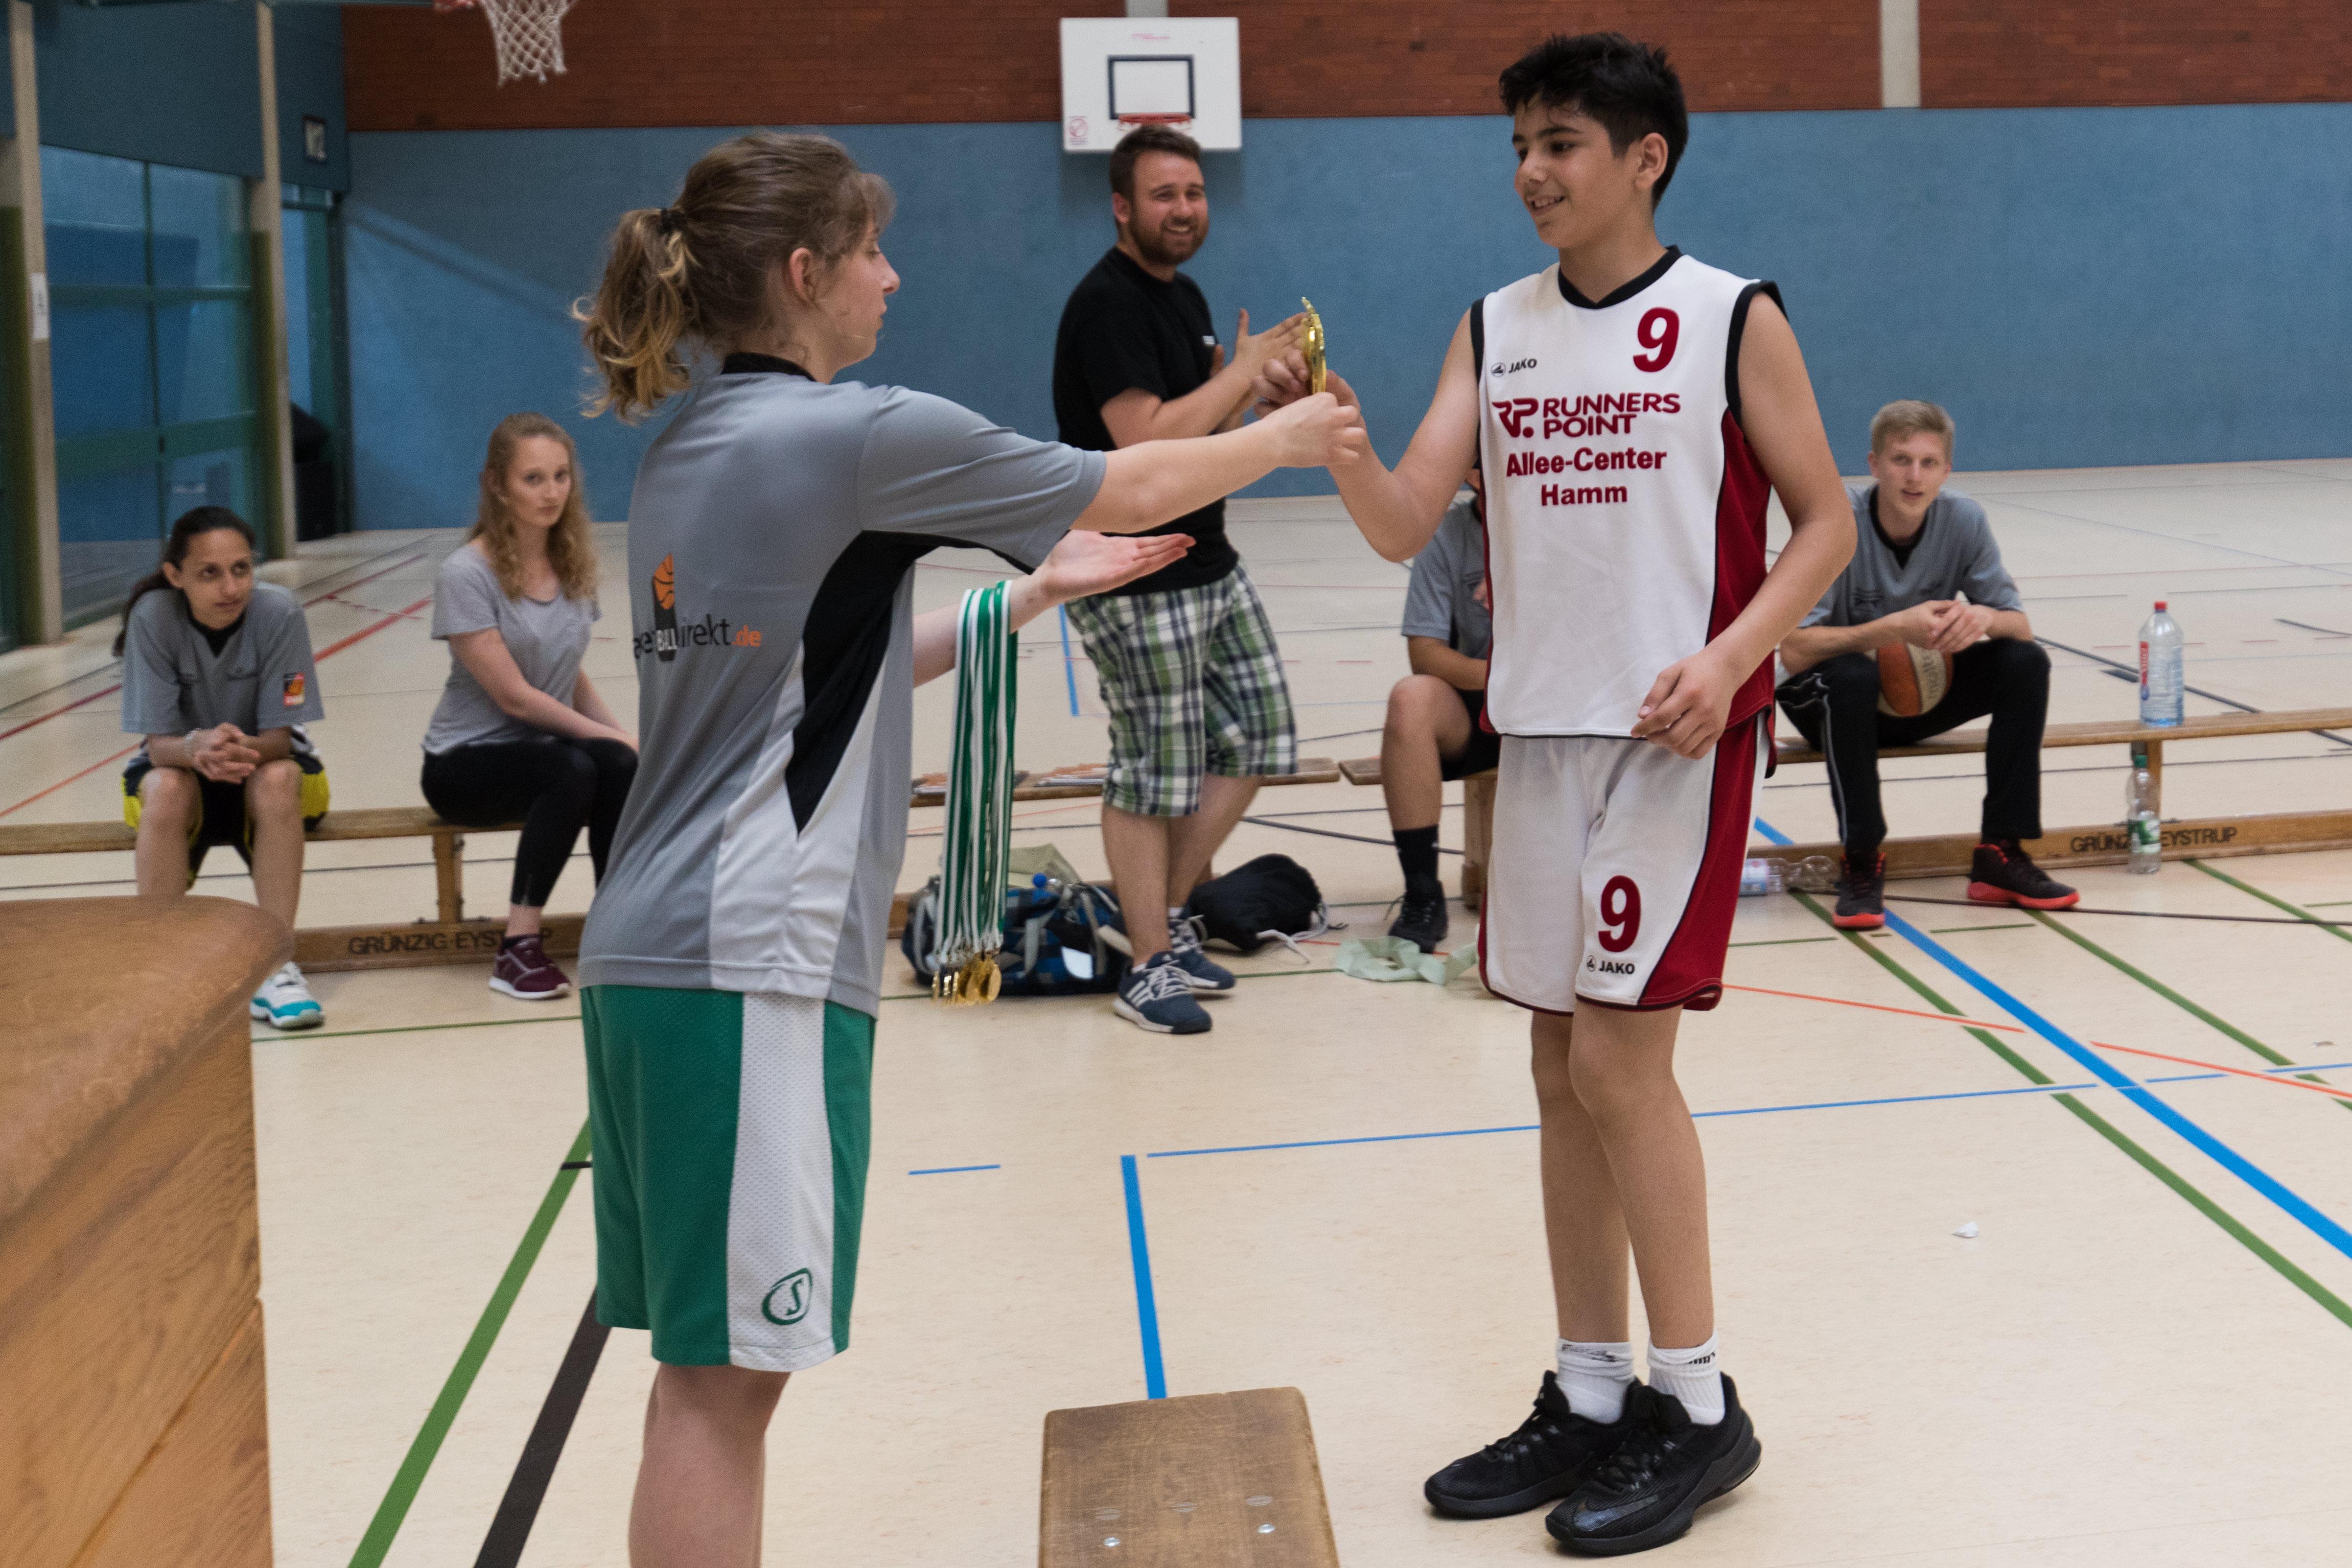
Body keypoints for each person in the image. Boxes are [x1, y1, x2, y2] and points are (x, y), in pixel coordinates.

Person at [570, 131, 1362, 1566]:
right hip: (751, 962)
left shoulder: (689, 444)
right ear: (804, 274)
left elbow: (806, 679)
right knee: (722, 1393)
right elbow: (1126, 481)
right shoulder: (852, 433)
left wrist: (1028, 598)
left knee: (702, 1380)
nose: (892, 277)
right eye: (869, 252)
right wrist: (1280, 437)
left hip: (649, 957)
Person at [1257, 33, 1856, 1555]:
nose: (1530, 171)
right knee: (1551, 1065)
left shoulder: (1730, 316)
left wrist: (1729, 660)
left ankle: (1699, 1406)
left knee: (1617, 1065)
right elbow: (1403, 517)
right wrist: (1333, 434)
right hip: (1537, 739)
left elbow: (1824, 526)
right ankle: (1591, 1389)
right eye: (1519, 146)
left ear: (1645, 157)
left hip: (1674, 742)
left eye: (1561, 144)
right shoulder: (1494, 326)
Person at [1051, 124, 1310, 1036]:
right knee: (1152, 772)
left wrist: (1252, 395)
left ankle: (1151, 914)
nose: (1184, 209)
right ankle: (1147, 962)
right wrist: (1235, 377)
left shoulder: (1183, 294)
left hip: (1207, 557)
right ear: (1121, 207)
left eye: (1193, 193)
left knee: (1260, 736)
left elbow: (1198, 435)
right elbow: (1144, 440)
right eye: (1164, 195)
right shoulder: (1106, 305)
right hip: (1135, 571)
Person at [1776, 400, 2077, 927]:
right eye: (1900, 460)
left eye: (1928, 463)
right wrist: (1892, 629)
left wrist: (1983, 616)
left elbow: (2020, 627)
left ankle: (2000, 853)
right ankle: (1861, 860)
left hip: (1913, 696)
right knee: (1854, 675)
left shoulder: (1963, 519)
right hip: (1827, 701)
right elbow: (1793, 650)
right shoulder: (1836, 522)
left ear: (1946, 470)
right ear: (1874, 464)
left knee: (2024, 662)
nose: (1914, 476)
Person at [420, 412, 636, 1000]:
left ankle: (616, 932)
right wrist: (610, 739)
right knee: (573, 768)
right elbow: (514, 697)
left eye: (561, 477)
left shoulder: (572, 564)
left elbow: (571, 674)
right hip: (463, 761)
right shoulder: (466, 572)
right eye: (533, 479)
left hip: (540, 749)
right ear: (497, 485)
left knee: (619, 764)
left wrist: (622, 739)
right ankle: (518, 948)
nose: (551, 492)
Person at [115, 506, 331, 1029]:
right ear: (176, 576)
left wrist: (229, 750)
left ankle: (276, 966)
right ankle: (163, 971)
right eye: (209, 573)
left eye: (241, 569)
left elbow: (279, 740)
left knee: (279, 778)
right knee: (164, 788)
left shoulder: (279, 613)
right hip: (182, 769)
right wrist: (199, 750)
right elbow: (160, 747)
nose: (231, 587)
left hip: (266, 765)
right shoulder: (152, 617)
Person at [1382, 461, 1496, 952]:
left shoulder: (1568, 523)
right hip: (1483, 700)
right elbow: (1425, 655)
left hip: (1562, 704)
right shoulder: (1445, 534)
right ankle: (1423, 894)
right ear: (1474, 474)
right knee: (1411, 699)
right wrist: (1504, 680)